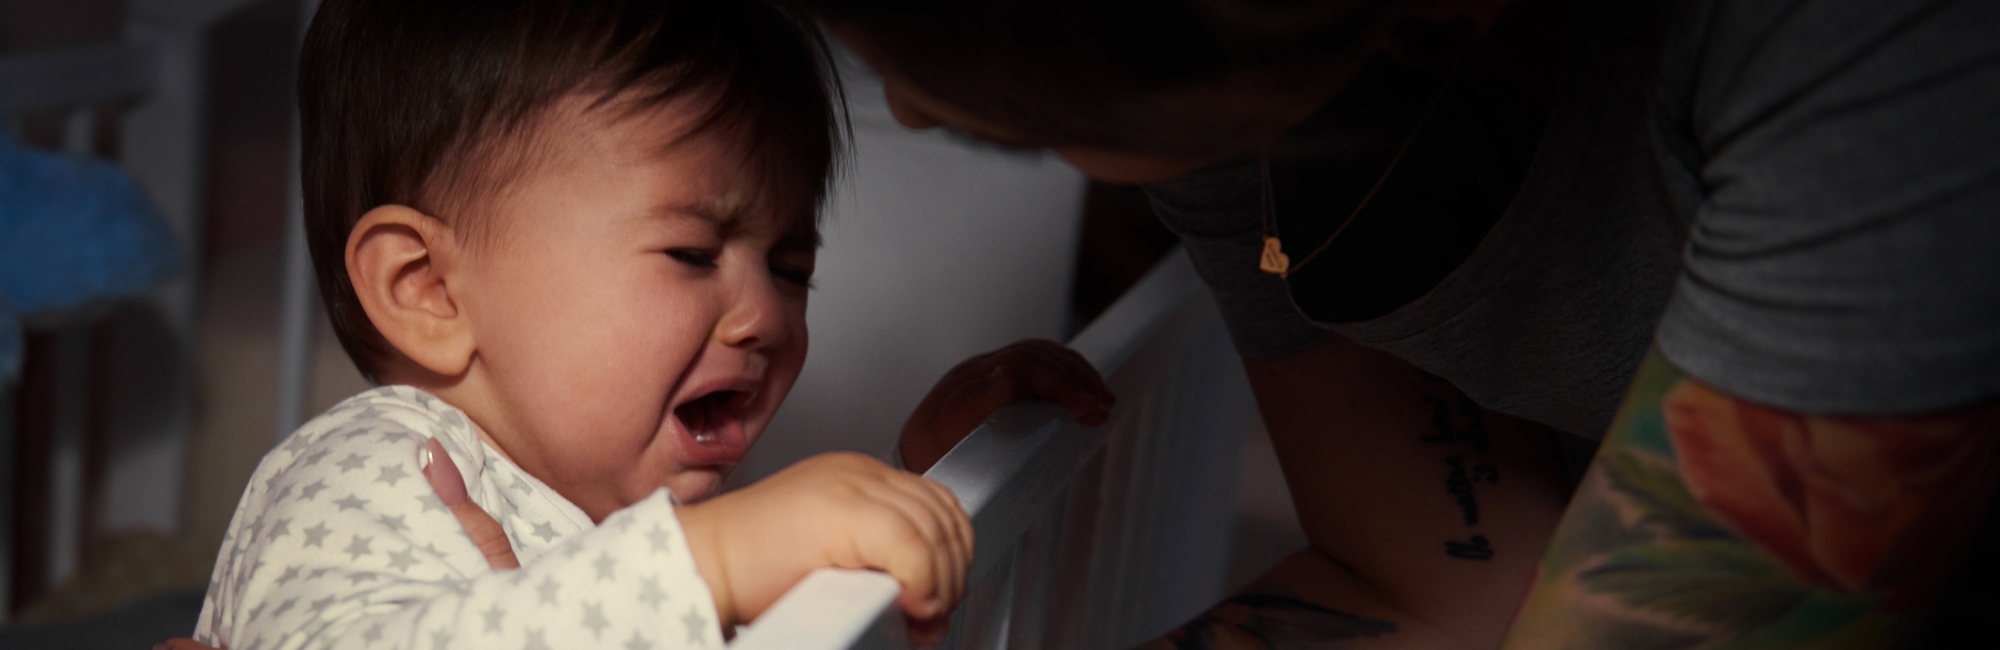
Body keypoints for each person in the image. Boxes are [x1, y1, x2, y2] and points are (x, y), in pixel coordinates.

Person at [795, 0, 2000, 648]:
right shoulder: (1235, 108)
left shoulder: (1882, 54)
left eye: (1002, 99)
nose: (899, 103)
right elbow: (1436, 578)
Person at [176, 1, 1114, 648]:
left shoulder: (609, 506)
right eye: (692, 255)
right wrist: (723, 559)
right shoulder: (381, 471)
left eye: (791, 268)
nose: (764, 316)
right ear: (429, 289)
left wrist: (936, 483)